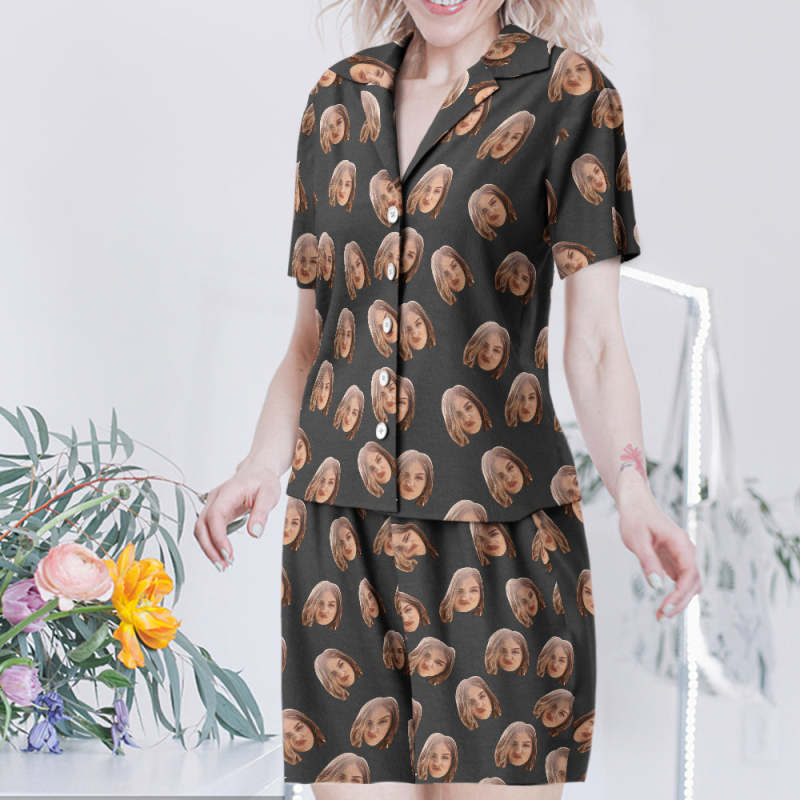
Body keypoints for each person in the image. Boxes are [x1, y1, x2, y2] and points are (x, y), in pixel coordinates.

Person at [193, 0, 703, 797]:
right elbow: (313, 340)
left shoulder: (569, 96)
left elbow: (597, 342)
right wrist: (259, 465)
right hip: (340, 544)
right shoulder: (336, 102)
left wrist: (632, 491)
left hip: (498, 547)